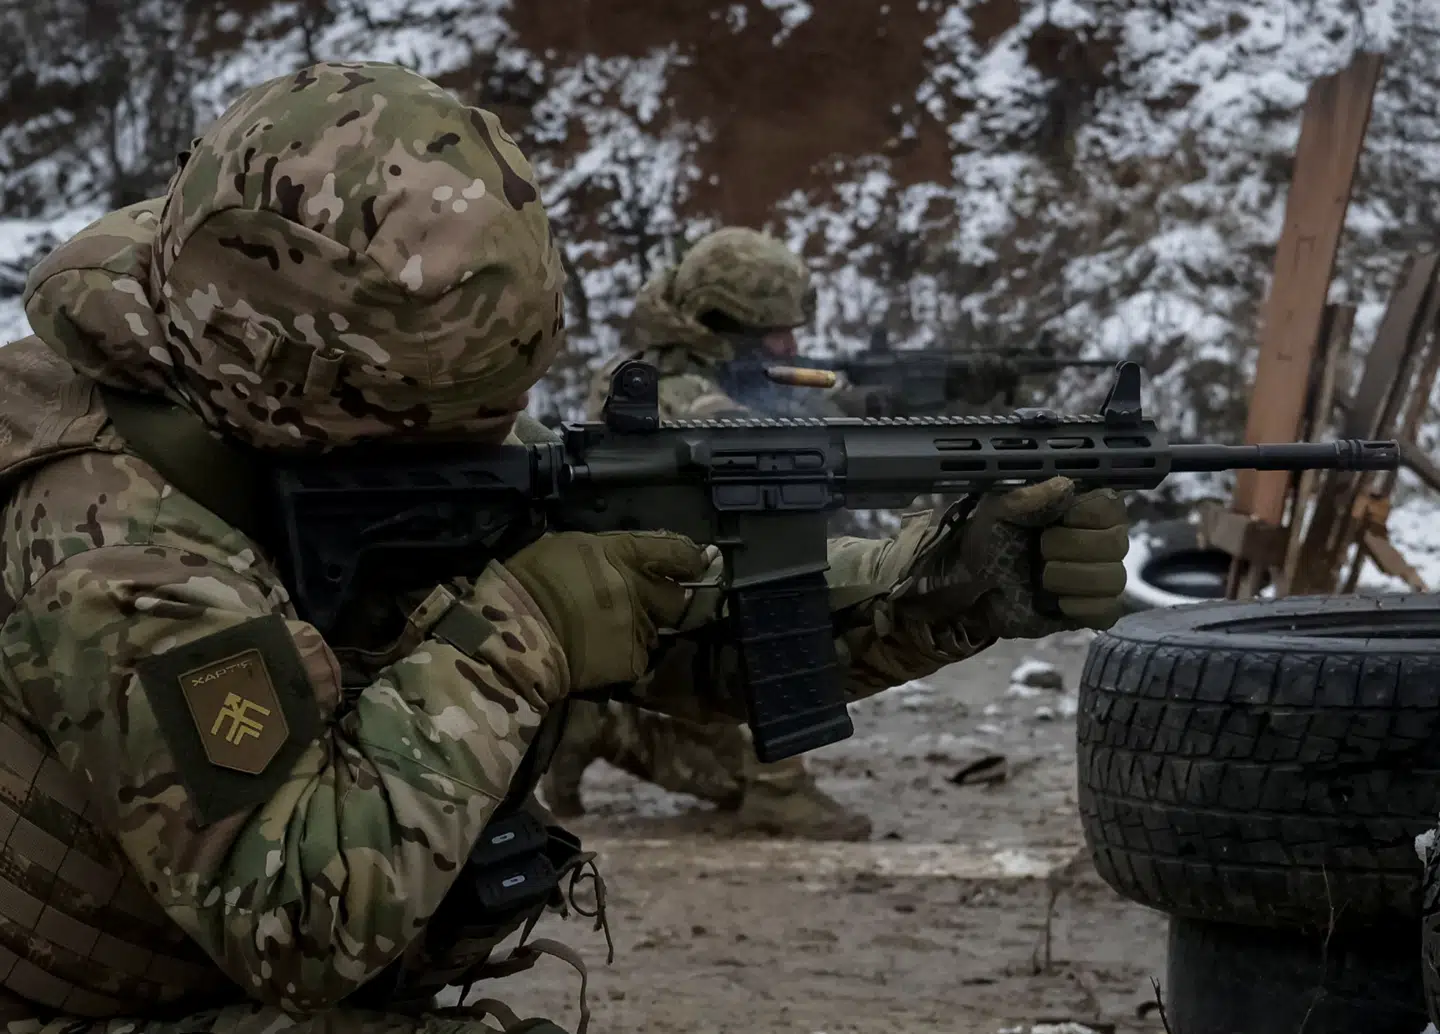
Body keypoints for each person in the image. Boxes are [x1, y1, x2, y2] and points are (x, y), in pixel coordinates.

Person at [0, 61, 1130, 1034]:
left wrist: (945, 579)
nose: (491, 441)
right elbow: (299, 915)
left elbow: (685, 621)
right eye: (447, 423)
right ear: (313, 389)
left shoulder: (313, 413)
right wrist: (520, 632)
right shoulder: (108, 540)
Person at [547, 228, 874, 840]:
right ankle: (781, 788)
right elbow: (737, 429)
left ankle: (593, 725)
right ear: (722, 323)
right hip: (659, 614)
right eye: (775, 332)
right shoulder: (671, 389)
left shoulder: (656, 370)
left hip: (646, 620)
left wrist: (845, 405)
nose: (790, 343)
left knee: (723, 781)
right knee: (785, 589)